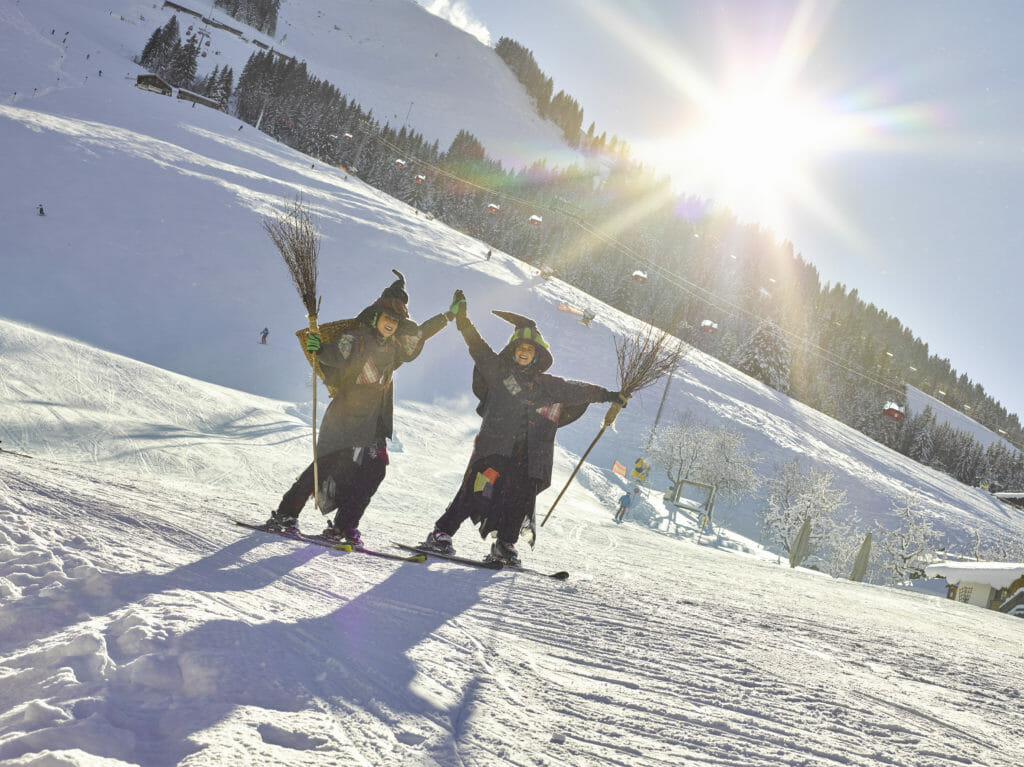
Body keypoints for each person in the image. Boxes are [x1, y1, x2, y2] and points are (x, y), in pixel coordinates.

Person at [420, 295, 625, 566]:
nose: (524, 352)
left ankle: (504, 545)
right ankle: (441, 533)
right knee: (477, 491)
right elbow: (478, 349)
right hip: (494, 448)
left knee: (518, 499)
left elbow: (577, 390)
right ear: (513, 350)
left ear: (538, 354)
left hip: (525, 456)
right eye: (520, 348)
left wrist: (610, 395)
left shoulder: (547, 384)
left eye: (530, 349)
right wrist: (463, 321)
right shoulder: (498, 372)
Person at [265, 270, 451, 545]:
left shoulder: (394, 349)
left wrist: (446, 317)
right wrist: (318, 348)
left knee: (375, 470)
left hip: (374, 423)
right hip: (346, 416)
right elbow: (333, 354)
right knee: (325, 465)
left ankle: (344, 526)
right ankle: (284, 515)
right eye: (388, 317)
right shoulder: (357, 338)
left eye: (397, 321)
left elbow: (420, 334)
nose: (391, 324)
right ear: (376, 315)